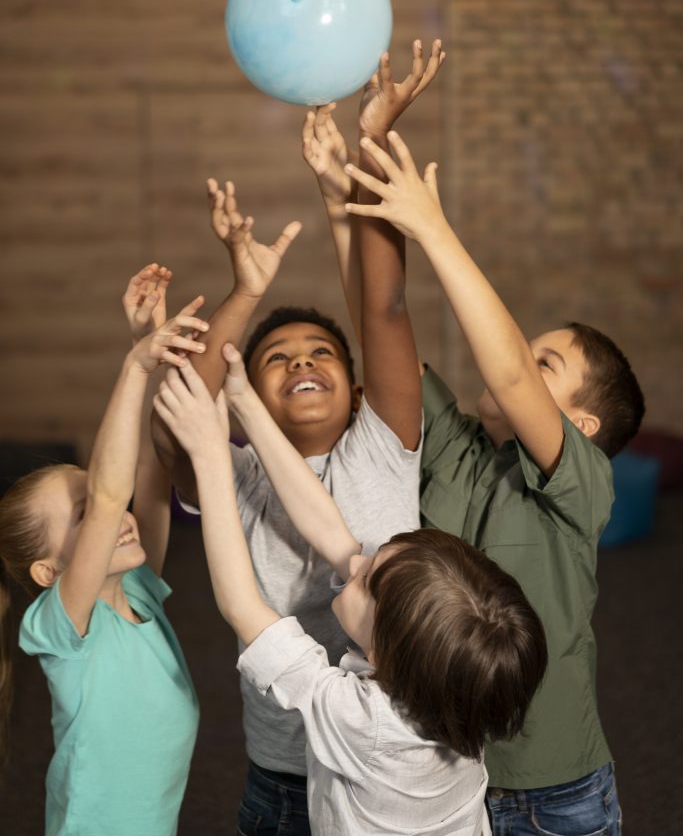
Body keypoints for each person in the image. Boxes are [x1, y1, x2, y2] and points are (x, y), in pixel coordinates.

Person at [151, 41, 445, 836]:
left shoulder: (383, 441)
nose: (302, 363)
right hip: (284, 766)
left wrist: (369, 150)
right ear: (255, 396)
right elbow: (185, 411)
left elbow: (381, 310)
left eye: (321, 354)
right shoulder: (238, 472)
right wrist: (246, 292)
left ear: (355, 388)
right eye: (277, 361)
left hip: (399, 753)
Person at [342, 131, 645, 836]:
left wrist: (434, 226)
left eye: (546, 364)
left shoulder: (582, 485)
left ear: (582, 424)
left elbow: (506, 371)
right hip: (450, 778)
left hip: (555, 795)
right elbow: (381, 324)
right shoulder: (461, 453)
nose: (514, 360)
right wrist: (359, 191)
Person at [153, 349, 548, 836]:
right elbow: (332, 532)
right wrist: (243, 401)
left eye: (364, 579)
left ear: (385, 649)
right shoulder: (453, 688)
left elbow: (241, 604)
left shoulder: (366, 722)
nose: (355, 560)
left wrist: (211, 454)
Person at [0, 265, 206, 836]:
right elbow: (115, 489)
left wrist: (153, 348)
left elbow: (144, 471)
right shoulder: (63, 625)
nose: (112, 516)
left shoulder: (140, 591)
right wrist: (134, 364)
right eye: (86, 515)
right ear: (48, 570)